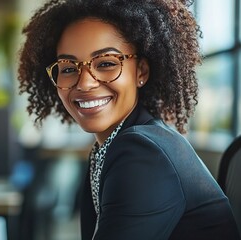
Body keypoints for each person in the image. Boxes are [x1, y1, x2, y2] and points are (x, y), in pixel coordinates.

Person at [17, 0, 241, 239]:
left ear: (141, 72)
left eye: (106, 64)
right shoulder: (111, 146)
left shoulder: (143, 153)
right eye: (69, 68)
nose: (84, 83)